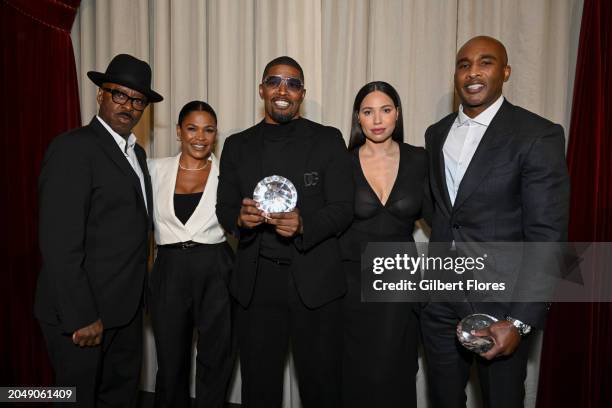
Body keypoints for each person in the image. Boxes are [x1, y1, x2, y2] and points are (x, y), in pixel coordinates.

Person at [420, 36, 570, 408]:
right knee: (443, 399)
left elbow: (547, 236)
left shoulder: (537, 134)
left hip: (500, 304)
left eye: (485, 63)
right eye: (463, 64)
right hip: (439, 300)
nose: (472, 72)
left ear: (505, 72)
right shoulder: (436, 133)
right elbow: (444, 213)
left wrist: (520, 321)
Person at [216, 56, 354, 408]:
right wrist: (241, 220)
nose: (283, 89)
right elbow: (225, 206)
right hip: (257, 282)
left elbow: (343, 208)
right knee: (259, 387)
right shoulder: (237, 145)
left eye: (292, 84)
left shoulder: (327, 139)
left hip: (316, 282)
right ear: (261, 89)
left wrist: (305, 224)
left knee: (322, 386)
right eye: (275, 81)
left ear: (302, 94)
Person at [35, 54, 163, 407]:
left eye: (137, 99)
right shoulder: (73, 149)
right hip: (83, 316)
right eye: (118, 94)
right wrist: (82, 317)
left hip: (124, 312)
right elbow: (60, 244)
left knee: (119, 397)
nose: (129, 105)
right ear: (100, 95)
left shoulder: (135, 154)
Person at [341, 81, 430, 408]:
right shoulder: (342, 162)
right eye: (368, 111)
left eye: (385, 109)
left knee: (397, 370)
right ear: (358, 118)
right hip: (351, 284)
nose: (377, 119)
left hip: (400, 281)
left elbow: (443, 216)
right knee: (355, 374)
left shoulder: (420, 159)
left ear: (397, 114)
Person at [147, 101, 234, 408]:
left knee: (215, 359)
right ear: (178, 132)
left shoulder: (228, 175)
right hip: (169, 270)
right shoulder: (154, 170)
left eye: (209, 130)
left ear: (216, 135)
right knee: (170, 362)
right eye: (192, 128)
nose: (200, 137)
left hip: (216, 270)